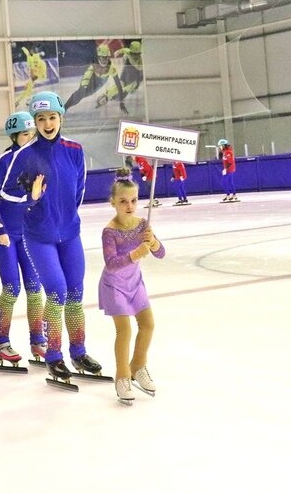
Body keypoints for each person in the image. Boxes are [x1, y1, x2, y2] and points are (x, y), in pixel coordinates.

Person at [2, 91, 104, 385]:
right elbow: (6, 193)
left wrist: (67, 215)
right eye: (41, 119)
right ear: (34, 122)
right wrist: (29, 197)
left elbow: (79, 190)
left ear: (61, 118)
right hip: (39, 236)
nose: (48, 123)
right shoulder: (25, 154)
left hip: (70, 233)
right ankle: (54, 356)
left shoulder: (74, 149)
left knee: (75, 292)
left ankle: (79, 352)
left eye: (52, 117)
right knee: (56, 291)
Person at [99, 167, 164, 404]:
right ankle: (122, 376)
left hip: (135, 284)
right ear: (113, 203)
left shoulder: (141, 224)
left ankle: (137, 366)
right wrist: (136, 253)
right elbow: (111, 263)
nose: (130, 205)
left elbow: (161, 253)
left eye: (134, 200)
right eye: (123, 201)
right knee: (124, 330)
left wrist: (154, 242)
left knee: (148, 324)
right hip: (114, 285)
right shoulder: (110, 231)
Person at [0, 111, 46, 368]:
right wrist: (0, 229)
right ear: (14, 136)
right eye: (25, 134)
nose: (31, 138)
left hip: (27, 234)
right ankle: (1, 343)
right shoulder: (3, 160)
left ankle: (38, 340)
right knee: (12, 287)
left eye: (33, 134)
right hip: (5, 234)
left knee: (35, 288)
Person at [65, 43, 127, 114]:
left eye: (107, 57)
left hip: (99, 82)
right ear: (98, 57)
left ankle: (65, 107)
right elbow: (87, 75)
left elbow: (118, 85)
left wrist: (122, 102)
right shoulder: (93, 64)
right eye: (103, 58)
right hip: (92, 75)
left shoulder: (112, 68)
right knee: (80, 93)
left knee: (83, 94)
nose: (105, 60)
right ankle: (65, 107)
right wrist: (82, 88)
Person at [98, 40, 143, 107]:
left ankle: (109, 96)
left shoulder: (136, 57)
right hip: (128, 73)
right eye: (133, 54)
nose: (135, 56)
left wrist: (123, 54)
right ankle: (107, 96)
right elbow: (124, 50)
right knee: (122, 85)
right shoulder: (129, 53)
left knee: (123, 87)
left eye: (137, 54)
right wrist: (118, 52)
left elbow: (139, 68)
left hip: (132, 76)